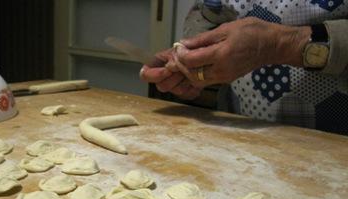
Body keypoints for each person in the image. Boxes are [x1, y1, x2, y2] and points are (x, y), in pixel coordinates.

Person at [140, 1, 348, 135]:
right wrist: (193, 57)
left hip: (334, 142)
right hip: (238, 129)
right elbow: (210, 12)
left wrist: (280, 44)